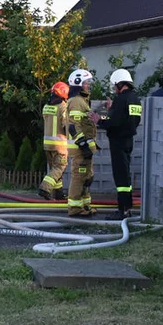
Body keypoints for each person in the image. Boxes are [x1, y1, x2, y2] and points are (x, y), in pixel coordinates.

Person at [97, 69, 142, 220]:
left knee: (120, 177)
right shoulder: (135, 99)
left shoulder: (121, 99)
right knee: (126, 175)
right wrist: (112, 110)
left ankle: (122, 210)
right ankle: (127, 208)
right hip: (128, 140)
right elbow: (128, 119)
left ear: (120, 84)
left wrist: (99, 120)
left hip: (118, 141)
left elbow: (113, 122)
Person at [65, 70, 98, 217]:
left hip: (84, 148)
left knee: (87, 177)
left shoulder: (82, 101)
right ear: (78, 84)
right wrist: (83, 144)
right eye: (86, 83)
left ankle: (84, 205)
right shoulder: (76, 101)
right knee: (79, 177)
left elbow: (88, 121)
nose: (88, 86)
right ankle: (75, 208)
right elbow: (73, 126)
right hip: (80, 149)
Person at [38, 81, 70, 202]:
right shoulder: (63, 106)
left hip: (47, 144)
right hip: (60, 144)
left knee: (54, 168)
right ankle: (45, 188)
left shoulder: (46, 106)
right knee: (59, 167)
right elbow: (66, 125)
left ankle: (59, 193)